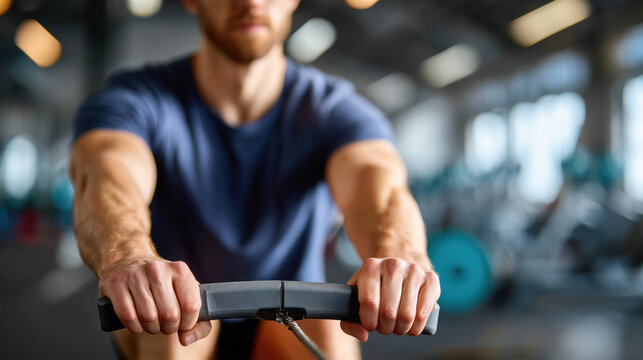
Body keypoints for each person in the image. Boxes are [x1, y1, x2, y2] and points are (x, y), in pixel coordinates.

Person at [70, 0, 440, 359]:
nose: (250, 2)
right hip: (179, 316)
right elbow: (107, 174)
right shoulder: (135, 100)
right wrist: (127, 256)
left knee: (330, 340)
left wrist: (401, 256)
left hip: (297, 320)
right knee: (165, 335)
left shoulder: (336, 111)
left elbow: (378, 188)